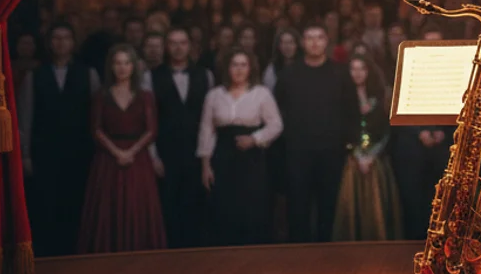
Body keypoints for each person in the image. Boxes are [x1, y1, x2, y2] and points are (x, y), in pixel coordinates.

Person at [19, 22, 100, 256]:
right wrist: (25, 154)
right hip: (45, 153)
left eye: (66, 38)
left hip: (80, 152)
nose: (61, 43)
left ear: (73, 43)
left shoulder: (89, 73)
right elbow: (26, 116)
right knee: (45, 205)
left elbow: (97, 117)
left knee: (76, 205)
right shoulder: (35, 76)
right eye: (56, 38)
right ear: (49, 43)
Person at [77, 45, 166, 253]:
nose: (122, 67)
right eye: (118, 63)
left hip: (138, 159)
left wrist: (131, 152)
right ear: (111, 67)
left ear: (134, 66)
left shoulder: (145, 96)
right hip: (108, 159)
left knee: (138, 204)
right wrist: (117, 152)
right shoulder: (101, 95)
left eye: (126, 63)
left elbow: (151, 130)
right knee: (109, 206)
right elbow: (96, 129)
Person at [274, 24, 356, 242]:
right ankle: (297, 257)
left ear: (326, 41)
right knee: (297, 208)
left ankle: (327, 256)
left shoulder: (340, 73)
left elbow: (352, 110)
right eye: (309, 37)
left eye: (319, 37)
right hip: (297, 153)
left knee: (328, 207)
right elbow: (276, 112)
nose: (314, 42)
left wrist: (348, 144)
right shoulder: (288, 75)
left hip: (332, 152)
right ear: (302, 43)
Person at [198, 49, 283, 246]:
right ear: (227, 68)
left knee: (253, 208)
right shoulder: (214, 95)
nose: (238, 69)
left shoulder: (261, 93)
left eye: (243, 65)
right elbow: (206, 131)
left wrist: (255, 139)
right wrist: (205, 165)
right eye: (234, 64)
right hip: (223, 158)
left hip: (251, 159)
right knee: (224, 209)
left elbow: (276, 125)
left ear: (250, 68)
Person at [147, 28, 214, 248]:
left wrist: (208, 155)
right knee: (168, 207)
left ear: (190, 46)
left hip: (197, 153)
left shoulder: (205, 75)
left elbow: (210, 119)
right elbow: (147, 120)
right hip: (166, 153)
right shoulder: (151, 76)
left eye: (183, 42)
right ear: (166, 47)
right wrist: (153, 156)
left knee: (196, 208)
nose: (178, 48)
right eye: (173, 43)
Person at [390, 27, 456, 241]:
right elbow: (397, 107)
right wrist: (420, 132)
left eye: (437, 43)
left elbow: (459, 106)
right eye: (428, 43)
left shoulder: (454, 72)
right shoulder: (407, 69)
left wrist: (443, 133)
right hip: (411, 148)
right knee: (413, 203)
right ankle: (412, 250)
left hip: (443, 147)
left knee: (442, 204)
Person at [332, 54, 404, 240]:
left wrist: (372, 155)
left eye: (361, 68)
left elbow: (388, 130)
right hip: (353, 161)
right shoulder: (342, 98)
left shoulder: (380, 97)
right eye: (353, 69)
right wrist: (357, 155)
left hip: (376, 161)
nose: (357, 73)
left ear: (368, 71)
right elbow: (341, 130)